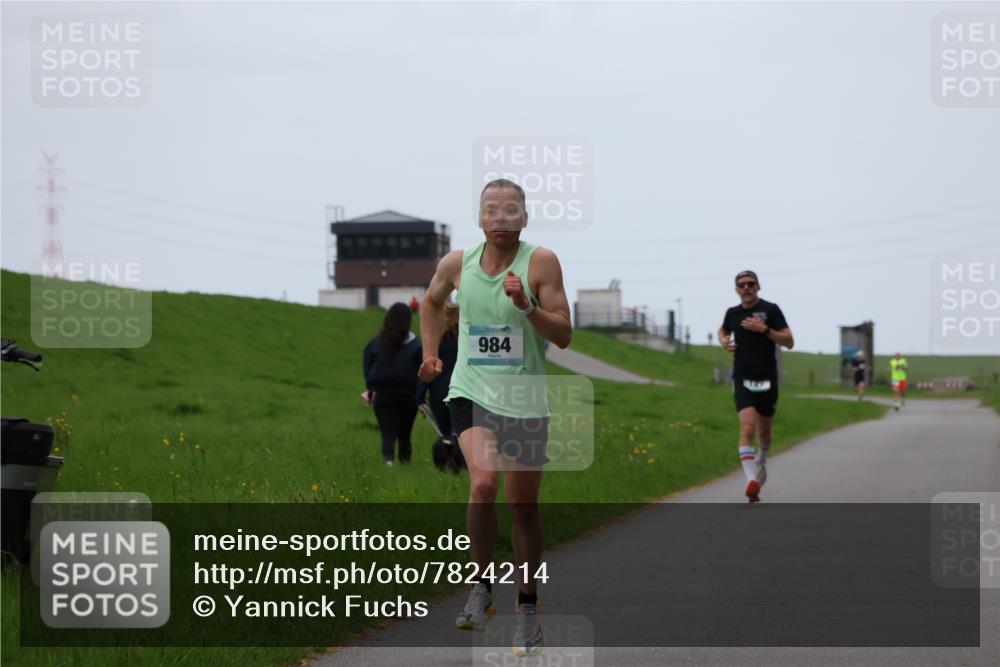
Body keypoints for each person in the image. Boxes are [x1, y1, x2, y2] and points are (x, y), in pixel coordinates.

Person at [419, 178, 572, 656]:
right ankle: (481, 587)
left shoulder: (541, 262)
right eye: (491, 209)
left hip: (523, 398)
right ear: (479, 217)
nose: (500, 218)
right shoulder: (457, 264)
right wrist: (430, 354)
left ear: (524, 217)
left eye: (510, 210)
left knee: (521, 505)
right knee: (483, 484)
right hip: (471, 392)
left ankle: (526, 604)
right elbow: (430, 302)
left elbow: (564, 334)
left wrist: (526, 305)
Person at [717, 270, 794, 504]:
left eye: (751, 284)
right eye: (741, 285)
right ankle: (751, 482)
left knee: (764, 435)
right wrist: (723, 341)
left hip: (767, 378)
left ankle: (761, 459)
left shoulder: (771, 309)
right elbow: (723, 329)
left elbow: (789, 341)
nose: (746, 288)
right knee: (748, 427)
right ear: (736, 290)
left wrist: (765, 330)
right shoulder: (733, 313)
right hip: (742, 377)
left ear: (758, 286)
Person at [363, 303, 423, 466]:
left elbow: (367, 368)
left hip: (382, 396)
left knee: (387, 433)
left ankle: (388, 463)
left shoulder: (375, 344)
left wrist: (371, 388)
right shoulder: (416, 345)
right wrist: (421, 395)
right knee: (405, 434)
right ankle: (405, 466)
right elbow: (422, 372)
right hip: (408, 397)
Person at [416, 301, 463, 472]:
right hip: (462, 391)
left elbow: (427, 367)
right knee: (461, 432)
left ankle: (445, 465)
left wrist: (420, 397)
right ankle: (460, 465)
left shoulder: (437, 340)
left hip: (438, 393)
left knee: (444, 433)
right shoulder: (466, 338)